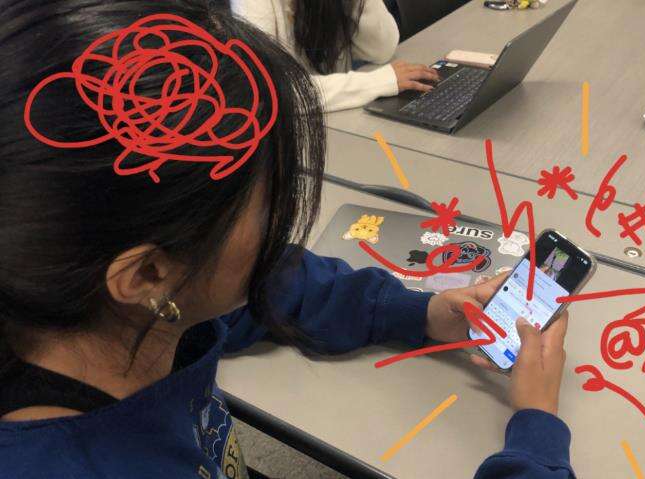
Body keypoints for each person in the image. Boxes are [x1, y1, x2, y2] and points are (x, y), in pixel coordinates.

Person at [0, 1, 574, 478]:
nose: (284, 221)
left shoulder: (124, 306)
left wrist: (419, 312)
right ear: (147, 275)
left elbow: (272, 288)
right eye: (270, 205)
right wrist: (537, 435)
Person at [229, 0, 440, 111]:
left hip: (339, 117)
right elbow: (275, 92)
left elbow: (382, 46)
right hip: (289, 142)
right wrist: (377, 81)